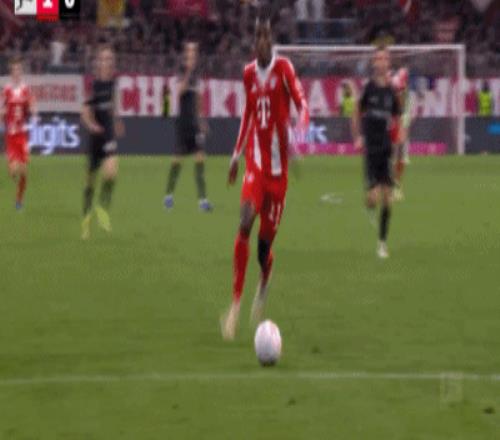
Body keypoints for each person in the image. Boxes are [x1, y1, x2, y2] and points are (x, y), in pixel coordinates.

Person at [220, 17, 309, 340]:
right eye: (258, 36)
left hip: (278, 176)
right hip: (256, 166)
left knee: (263, 249)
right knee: (244, 222)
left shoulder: (283, 68)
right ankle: (234, 305)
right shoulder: (248, 74)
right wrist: (235, 156)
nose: (262, 42)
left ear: (272, 41)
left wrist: (299, 129)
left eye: (267, 36)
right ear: (253, 42)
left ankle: (264, 278)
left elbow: (302, 103)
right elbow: (247, 114)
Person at [352, 46, 401, 259]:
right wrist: (357, 136)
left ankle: (382, 243)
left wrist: (398, 143)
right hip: (371, 150)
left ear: (388, 63)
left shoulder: (392, 92)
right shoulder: (368, 89)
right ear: (374, 63)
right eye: (378, 59)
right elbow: (356, 111)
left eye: (384, 59)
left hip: (386, 148)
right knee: (373, 198)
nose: (381, 62)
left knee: (388, 199)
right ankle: (369, 205)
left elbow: (397, 118)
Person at [80, 43, 124, 240]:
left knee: (112, 173)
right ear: (98, 62)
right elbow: (84, 111)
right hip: (95, 138)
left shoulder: (114, 84)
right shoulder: (92, 85)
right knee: (90, 182)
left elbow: (113, 106)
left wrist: (117, 120)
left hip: (108, 136)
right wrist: (91, 125)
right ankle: (86, 221)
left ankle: (102, 208)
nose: (106, 62)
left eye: (109, 59)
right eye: (103, 59)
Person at [164, 42, 213, 212]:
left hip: (194, 124)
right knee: (177, 161)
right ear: (186, 54)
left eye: (195, 52)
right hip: (183, 123)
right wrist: (188, 72)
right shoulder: (180, 71)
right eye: (190, 52)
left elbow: (198, 100)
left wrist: (202, 120)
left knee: (200, 159)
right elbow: (179, 91)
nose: (192, 55)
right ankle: (168, 195)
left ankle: (203, 201)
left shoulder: (197, 76)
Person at [0, 56, 35, 210]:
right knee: (13, 171)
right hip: (11, 135)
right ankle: (12, 167)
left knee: (24, 171)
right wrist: (2, 116)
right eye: (14, 70)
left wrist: (34, 112)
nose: (17, 72)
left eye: (19, 69)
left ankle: (19, 200)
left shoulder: (26, 89)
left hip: (22, 135)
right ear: (11, 72)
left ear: (21, 71)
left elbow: (32, 105)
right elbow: (1, 108)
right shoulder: (6, 90)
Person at [391, 67, 411, 201]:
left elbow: (405, 110)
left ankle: (397, 185)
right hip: (393, 125)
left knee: (401, 159)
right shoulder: (395, 86)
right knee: (392, 157)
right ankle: (391, 186)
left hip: (401, 125)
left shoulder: (406, 93)